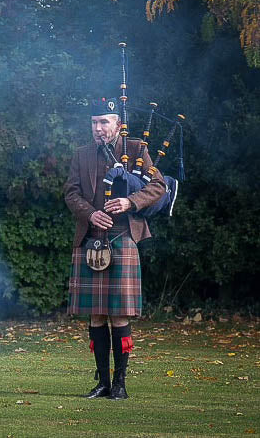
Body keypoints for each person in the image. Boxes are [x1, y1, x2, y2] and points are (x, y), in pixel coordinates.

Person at [64, 97, 166, 400]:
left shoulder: (136, 150)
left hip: (122, 237)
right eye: (94, 122)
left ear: (117, 124)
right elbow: (70, 192)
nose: (98, 128)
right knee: (96, 314)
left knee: (119, 314)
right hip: (91, 236)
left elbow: (158, 186)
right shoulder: (81, 155)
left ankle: (120, 383)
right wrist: (89, 212)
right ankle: (102, 383)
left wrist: (129, 202)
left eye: (104, 122)